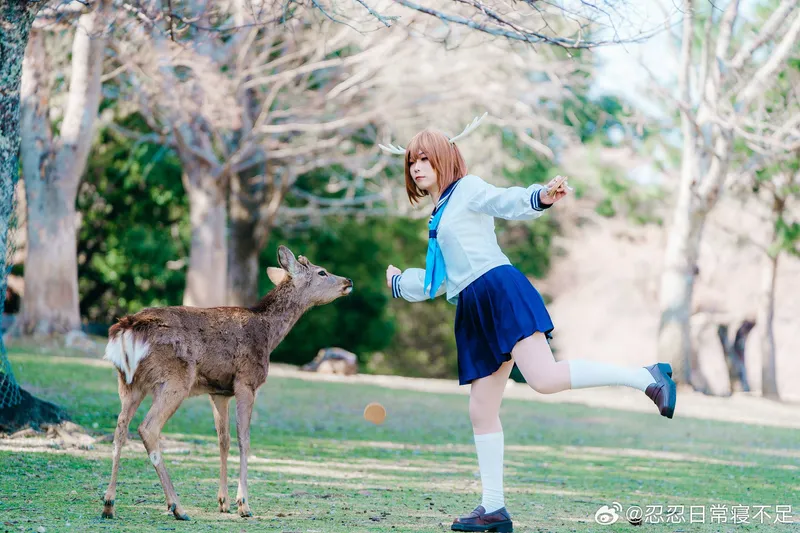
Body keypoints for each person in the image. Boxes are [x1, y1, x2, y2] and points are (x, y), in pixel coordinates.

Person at [380, 115, 676, 533]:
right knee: (481, 410)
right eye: (412, 161)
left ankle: (644, 376)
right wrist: (399, 282)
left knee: (544, 377)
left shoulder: (468, 190)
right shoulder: (440, 212)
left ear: (445, 158)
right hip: (472, 305)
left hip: (498, 291)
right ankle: (494, 510)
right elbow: (439, 280)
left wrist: (540, 196)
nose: (416, 167)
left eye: (424, 159)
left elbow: (505, 199)